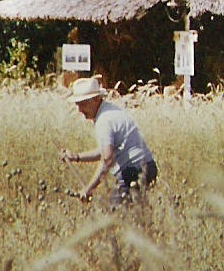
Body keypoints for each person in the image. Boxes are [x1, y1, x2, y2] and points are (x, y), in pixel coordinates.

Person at [60, 76, 157, 205]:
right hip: (146, 168)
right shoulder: (109, 111)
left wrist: (89, 189)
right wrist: (77, 157)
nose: (80, 110)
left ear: (95, 99)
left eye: (83, 104)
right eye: (78, 105)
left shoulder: (104, 121)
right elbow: (105, 151)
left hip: (134, 171)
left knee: (117, 216)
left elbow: (107, 159)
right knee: (137, 215)